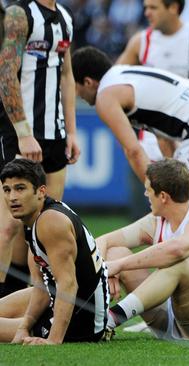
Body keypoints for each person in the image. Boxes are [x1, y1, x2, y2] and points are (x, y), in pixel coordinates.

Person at [72, 46, 189, 207]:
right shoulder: (125, 74)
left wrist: (155, 192)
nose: (77, 95)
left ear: (88, 82)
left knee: (175, 214)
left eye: (76, 88)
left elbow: (133, 151)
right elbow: (163, 135)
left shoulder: (106, 96)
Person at [96, 159, 189, 340]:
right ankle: (93, 315)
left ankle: (109, 320)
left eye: (148, 190)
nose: (145, 194)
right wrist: (106, 268)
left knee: (180, 263)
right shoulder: (157, 220)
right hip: (170, 316)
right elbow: (103, 241)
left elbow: (176, 251)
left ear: (164, 196)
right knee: (115, 251)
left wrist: (118, 266)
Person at [0, 0, 81, 299]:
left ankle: (32, 298)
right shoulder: (20, 14)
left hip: (54, 134)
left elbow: (67, 76)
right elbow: (6, 74)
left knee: (46, 222)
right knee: (8, 227)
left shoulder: (66, 18)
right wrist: (23, 133)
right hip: (20, 132)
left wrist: (71, 131)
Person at [0, 159, 110, 344]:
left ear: (41, 192)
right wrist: (23, 326)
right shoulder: (33, 218)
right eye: (7, 190)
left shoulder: (50, 222)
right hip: (63, 300)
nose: (12, 198)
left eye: (20, 188)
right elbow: (41, 284)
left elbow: (68, 284)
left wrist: (53, 341)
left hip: (82, 323)